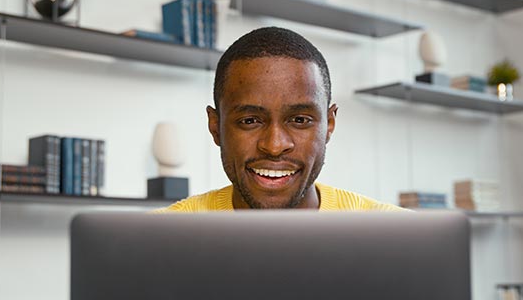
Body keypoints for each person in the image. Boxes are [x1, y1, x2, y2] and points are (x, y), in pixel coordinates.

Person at [160, 27, 403, 212]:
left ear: (329, 124)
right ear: (215, 127)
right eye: (249, 121)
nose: (274, 146)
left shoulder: (400, 236)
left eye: (299, 119)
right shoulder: (157, 238)